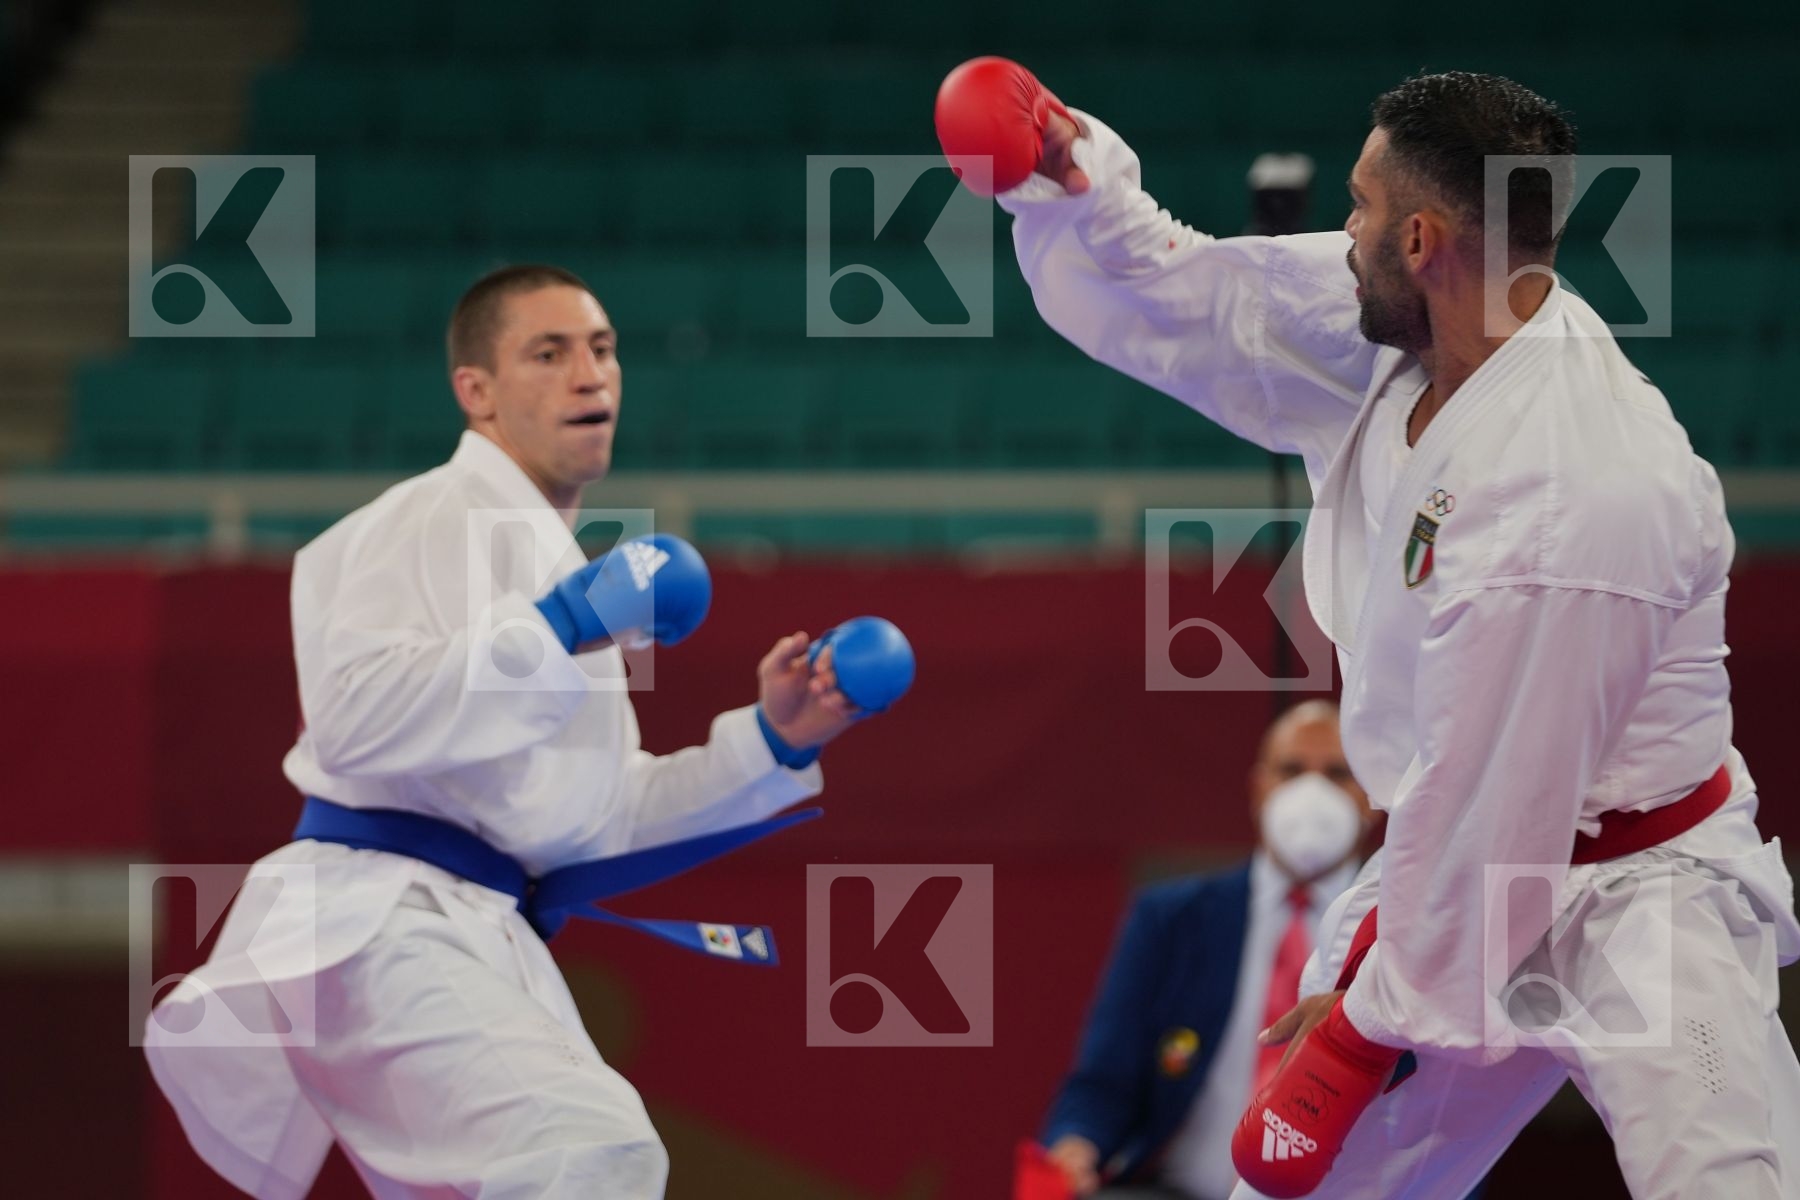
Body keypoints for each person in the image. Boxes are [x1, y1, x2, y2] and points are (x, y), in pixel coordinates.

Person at [940, 61, 1800, 1199]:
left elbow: (1498, 793)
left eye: (1360, 205)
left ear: (1424, 238)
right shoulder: (1399, 336)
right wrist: (1070, 179)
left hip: (1640, 896)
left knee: (1732, 1184)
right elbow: (1199, 298)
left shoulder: (1584, 485)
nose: (1344, 229)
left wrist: (1362, 1028)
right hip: (1448, 861)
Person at [144, 265, 876, 1200]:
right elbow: (352, 717)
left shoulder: (555, 566)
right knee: (588, 1152)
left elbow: (599, 822)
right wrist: (558, 625)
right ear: (475, 391)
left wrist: (773, 741)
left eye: (603, 350)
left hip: (474, 931)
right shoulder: (424, 517)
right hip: (376, 919)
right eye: (549, 352)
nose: (591, 375)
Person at [1040, 702, 1374, 1200]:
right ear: (1259, 788)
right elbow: (1105, 1081)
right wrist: (1075, 1149)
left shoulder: (1403, 931)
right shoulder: (1170, 920)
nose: (1313, 793)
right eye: (1291, 771)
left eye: (1336, 774)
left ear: (1371, 798)